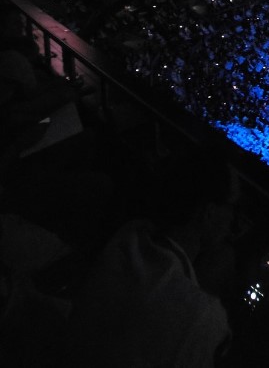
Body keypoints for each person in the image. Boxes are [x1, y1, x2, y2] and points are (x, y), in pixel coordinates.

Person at [59, 147, 239, 368]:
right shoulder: (205, 317)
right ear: (208, 212)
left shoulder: (128, 234)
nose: (233, 220)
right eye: (232, 207)